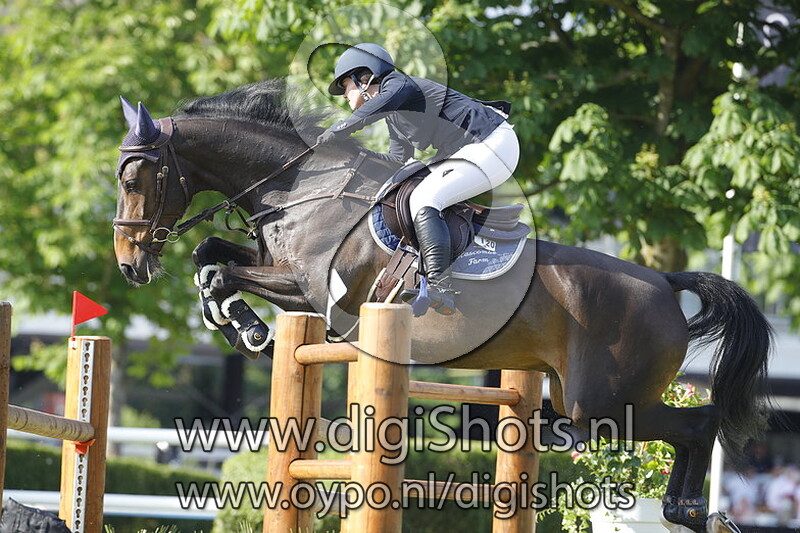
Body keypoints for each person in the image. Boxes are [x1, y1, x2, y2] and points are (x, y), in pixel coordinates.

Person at [318, 43, 520, 315]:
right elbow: (397, 159)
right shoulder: (395, 114)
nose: (344, 95)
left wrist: (336, 131)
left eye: (345, 86)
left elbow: (365, 115)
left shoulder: (399, 85)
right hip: (476, 149)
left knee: (425, 197)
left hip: (492, 142)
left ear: (364, 78)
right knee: (416, 192)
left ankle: (440, 287)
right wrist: (355, 155)